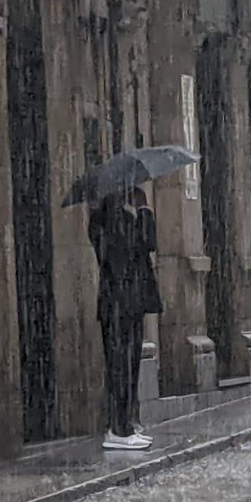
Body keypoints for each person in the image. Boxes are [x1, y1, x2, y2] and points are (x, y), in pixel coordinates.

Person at [88, 186, 163, 452]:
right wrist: (142, 208)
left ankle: (126, 424)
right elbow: (137, 246)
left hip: (129, 303)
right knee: (120, 366)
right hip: (119, 304)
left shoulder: (121, 220)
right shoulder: (105, 224)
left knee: (129, 365)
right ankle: (118, 429)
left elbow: (147, 243)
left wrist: (141, 210)